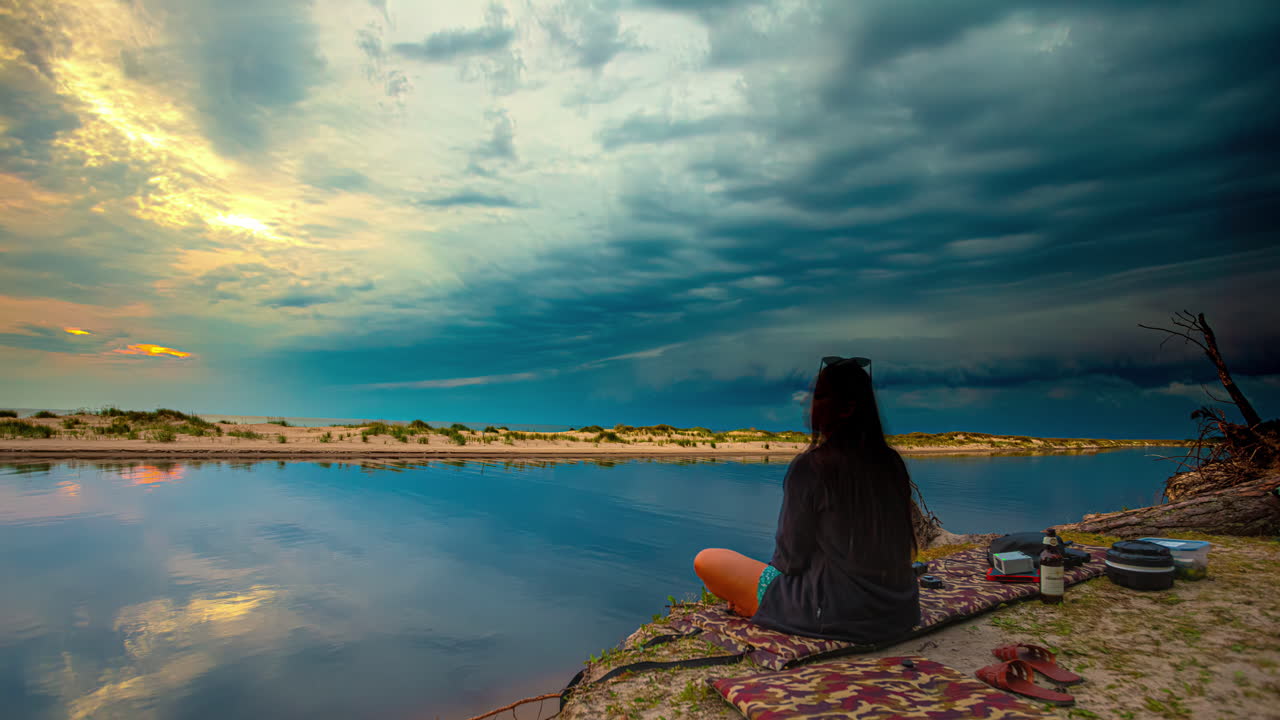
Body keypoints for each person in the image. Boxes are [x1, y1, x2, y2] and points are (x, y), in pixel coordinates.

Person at [692, 356, 921, 642]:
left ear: (848, 408)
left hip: (833, 611)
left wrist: (762, 589)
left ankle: (758, 607)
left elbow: (789, 560)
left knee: (707, 560)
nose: (808, 402)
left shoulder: (813, 466)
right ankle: (758, 603)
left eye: (820, 396)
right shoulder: (891, 462)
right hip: (899, 610)